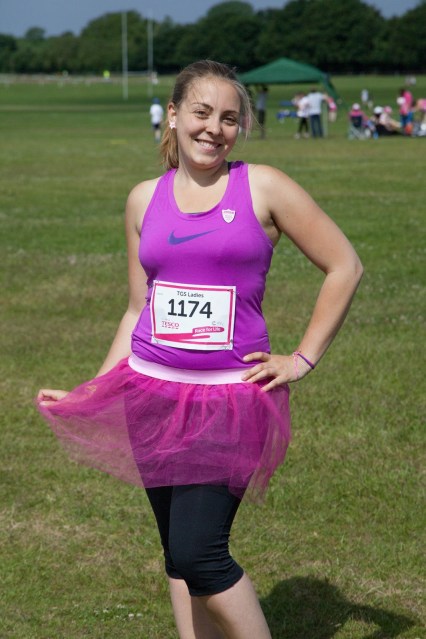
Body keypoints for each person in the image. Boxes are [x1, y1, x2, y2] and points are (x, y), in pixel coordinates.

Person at [37, 60, 363, 639]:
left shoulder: (263, 186)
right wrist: (91, 389)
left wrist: (301, 359)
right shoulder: (143, 199)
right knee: (177, 553)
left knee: (200, 553)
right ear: (174, 115)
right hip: (150, 396)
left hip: (227, 400)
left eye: (229, 118)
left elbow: (345, 265)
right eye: (202, 112)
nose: (214, 128)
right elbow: (137, 310)